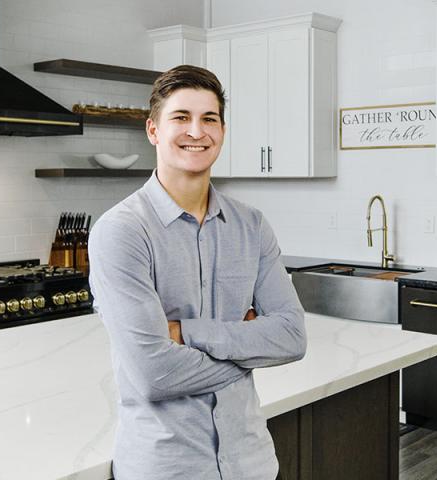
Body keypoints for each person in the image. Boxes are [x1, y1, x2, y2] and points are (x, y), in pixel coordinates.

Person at [88, 65, 307, 480]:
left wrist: (186, 332)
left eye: (209, 119)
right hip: (166, 468)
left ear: (222, 131)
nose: (197, 131)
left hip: (252, 464)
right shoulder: (121, 232)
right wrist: (248, 350)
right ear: (153, 130)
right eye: (181, 117)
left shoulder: (252, 225)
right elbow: (154, 374)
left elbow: (292, 337)